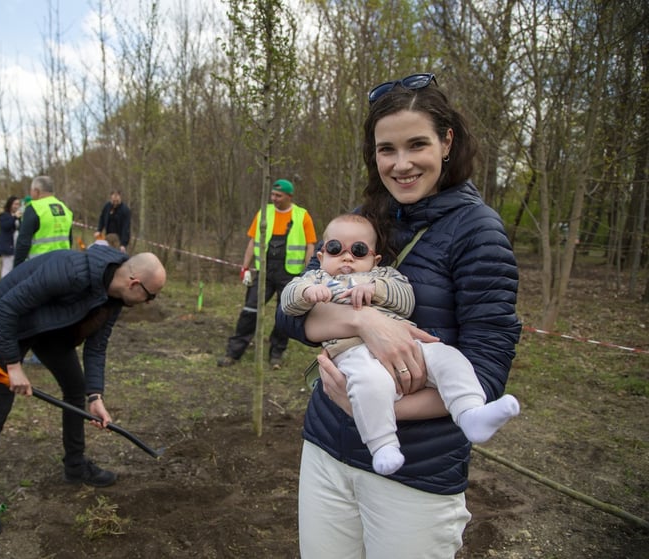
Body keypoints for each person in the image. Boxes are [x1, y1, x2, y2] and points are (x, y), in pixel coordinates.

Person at [276, 73, 522, 558]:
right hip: (326, 449)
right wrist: (364, 322)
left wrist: (370, 408)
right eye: (387, 149)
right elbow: (291, 317)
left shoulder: (478, 233)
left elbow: (487, 372)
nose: (401, 163)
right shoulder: (359, 223)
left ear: (446, 142)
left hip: (415, 472)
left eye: (417, 145)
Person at [281, 213, 520, 476]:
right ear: (321, 255)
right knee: (369, 383)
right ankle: (383, 445)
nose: (347, 258)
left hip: (409, 345)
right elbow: (287, 304)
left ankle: (470, 411)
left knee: (448, 358)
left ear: (374, 258)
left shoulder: (383, 276)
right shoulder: (315, 279)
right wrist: (306, 294)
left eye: (358, 251)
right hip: (353, 353)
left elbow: (406, 299)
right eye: (336, 249)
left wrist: (376, 289)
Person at [0, 247, 167, 537]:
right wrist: (13, 364)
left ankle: (75, 466)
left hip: (49, 328)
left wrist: (95, 396)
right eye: (151, 295)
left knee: (76, 388)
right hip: (9, 322)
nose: (150, 302)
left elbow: (97, 346)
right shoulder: (71, 269)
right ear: (134, 283)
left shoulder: (114, 299)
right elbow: (8, 307)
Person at [217, 179, 316, 369]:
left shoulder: (302, 216)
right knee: (250, 310)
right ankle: (234, 352)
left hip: (290, 273)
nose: (274, 199)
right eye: (272, 195)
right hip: (264, 272)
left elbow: (310, 245)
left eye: (278, 196)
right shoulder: (264, 212)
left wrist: (307, 273)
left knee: (284, 313)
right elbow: (252, 241)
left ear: (289, 196)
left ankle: (276, 354)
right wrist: (245, 267)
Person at [14, 176, 73, 265]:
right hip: (62, 264)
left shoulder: (34, 208)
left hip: (39, 265)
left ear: (37, 191)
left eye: (31, 191)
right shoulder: (65, 209)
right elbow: (69, 239)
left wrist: (17, 268)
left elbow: (23, 242)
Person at [0, 196, 21, 277]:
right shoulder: (4, 215)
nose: (16, 206)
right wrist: (14, 217)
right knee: (7, 267)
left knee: (14, 266)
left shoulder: (18, 216)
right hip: (7, 245)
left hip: (16, 244)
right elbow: (5, 226)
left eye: (18, 204)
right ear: (10, 204)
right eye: (15, 204)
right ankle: (4, 283)